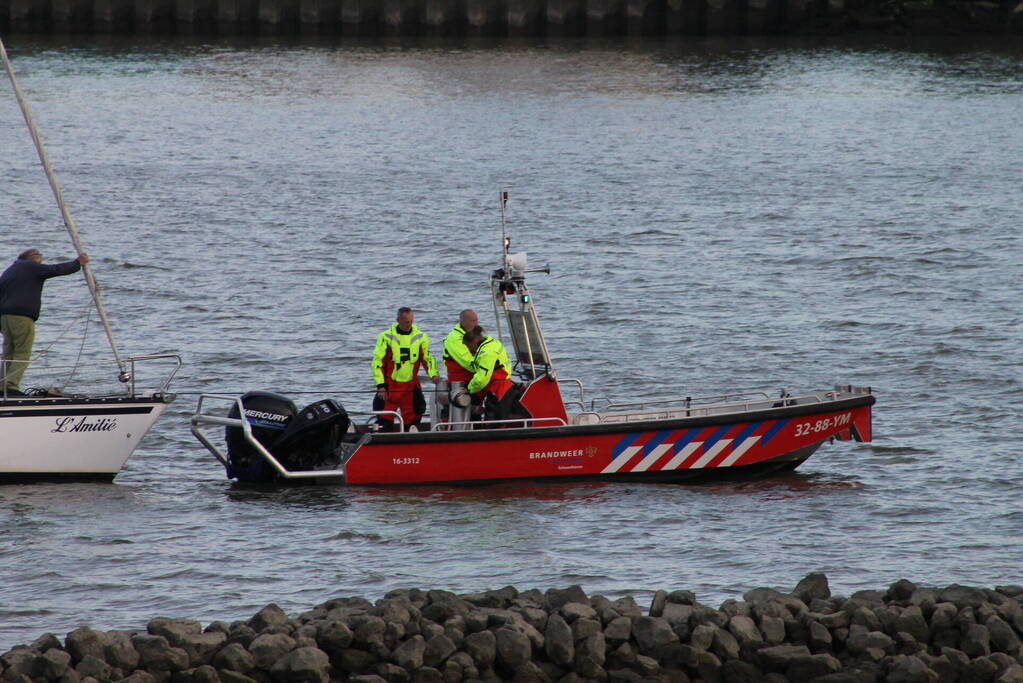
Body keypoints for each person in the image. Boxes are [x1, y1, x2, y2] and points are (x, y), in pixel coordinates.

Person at [0, 248, 88, 396]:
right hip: (22, 316)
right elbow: (56, 269)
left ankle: (2, 386)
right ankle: (11, 386)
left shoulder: (9, 272)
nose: (40, 257)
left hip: (5, 317)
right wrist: (78, 263)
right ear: (30, 258)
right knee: (22, 352)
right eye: (37, 255)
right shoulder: (29, 266)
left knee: (9, 352)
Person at [371, 307, 439, 431]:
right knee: (384, 421)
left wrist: (434, 375)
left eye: (411, 321)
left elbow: (427, 358)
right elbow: (377, 362)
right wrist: (380, 385)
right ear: (398, 320)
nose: (409, 324)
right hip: (390, 387)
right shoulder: (386, 337)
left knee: (413, 421)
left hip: (410, 387)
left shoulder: (420, 337)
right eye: (406, 321)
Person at [462, 325, 514, 411]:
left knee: (494, 418)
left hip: (498, 388)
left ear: (474, 341)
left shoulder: (486, 353)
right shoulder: (493, 343)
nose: (468, 349)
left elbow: (481, 379)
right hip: (503, 384)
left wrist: (468, 389)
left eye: (467, 345)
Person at [442, 309, 477, 429]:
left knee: (476, 411)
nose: (476, 323)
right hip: (460, 383)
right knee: (464, 413)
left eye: (476, 320)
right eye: (473, 321)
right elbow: (468, 362)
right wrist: (487, 370)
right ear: (463, 321)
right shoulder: (455, 338)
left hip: (473, 381)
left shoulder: (471, 334)